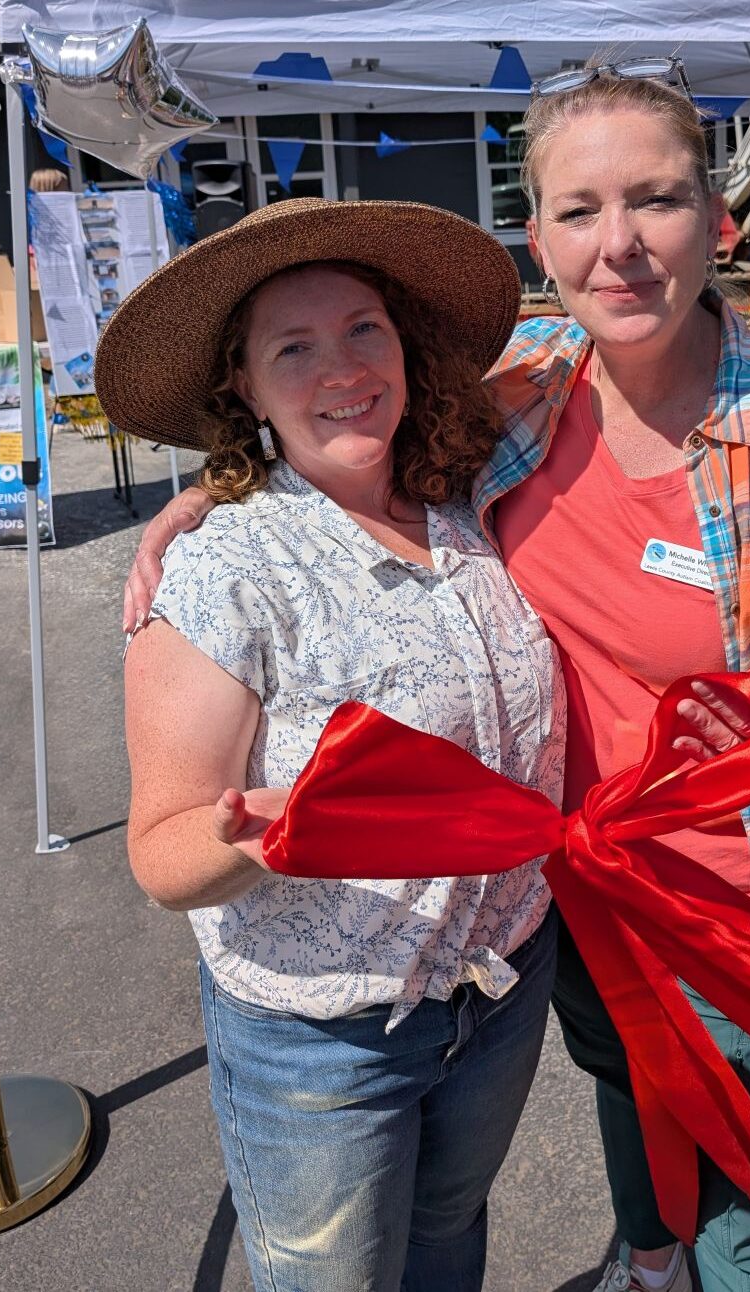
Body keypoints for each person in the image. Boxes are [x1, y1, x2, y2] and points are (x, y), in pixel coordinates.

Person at [123, 58, 750, 1292]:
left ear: (717, 216)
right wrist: (210, 498)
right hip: (561, 898)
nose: (621, 247)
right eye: (580, 211)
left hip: (728, 893)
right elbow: (333, 418)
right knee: (616, 1088)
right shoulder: (524, 389)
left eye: (653, 200)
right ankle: (646, 1258)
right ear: (536, 235)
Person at [99, 198, 569, 1292]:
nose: (340, 368)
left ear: (404, 345)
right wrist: (263, 838)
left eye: (363, 328)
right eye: (291, 348)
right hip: (324, 1037)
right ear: (245, 392)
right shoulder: (225, 573)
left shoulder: (467, 490)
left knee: (449, 1235)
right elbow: (163, 853)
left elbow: (599, 333)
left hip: (498, 981)